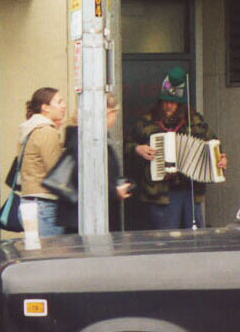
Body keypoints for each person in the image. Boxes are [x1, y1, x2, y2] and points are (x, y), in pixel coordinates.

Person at [125, 67, 227, 230]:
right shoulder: (146, 122)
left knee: (194, 237)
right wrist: (138, 149)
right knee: (166, 239)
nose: (167, 106)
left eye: (172, 102)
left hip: (191, 189)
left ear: (180, 104)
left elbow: (213, 143)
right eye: (164, 101)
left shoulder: (195, 121)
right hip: (159, 193)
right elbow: (127, 146)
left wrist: (220, 159)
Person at [55, 92, 133, 233]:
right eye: (115, 114)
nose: (115, 119)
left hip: (86, 217)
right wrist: (114, 191)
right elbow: (85, 179)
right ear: (108, 113)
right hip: (87, 219)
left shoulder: (84, 137)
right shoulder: (86, 140)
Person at [16, 87, 67, 237]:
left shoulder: (30, 128)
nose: (63, 105)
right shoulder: (46, 131)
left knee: (36, 255)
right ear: (45, 107)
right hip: (44, 203)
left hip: (29, 202)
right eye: (59, 101)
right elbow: (56, 169)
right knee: (50, 256)